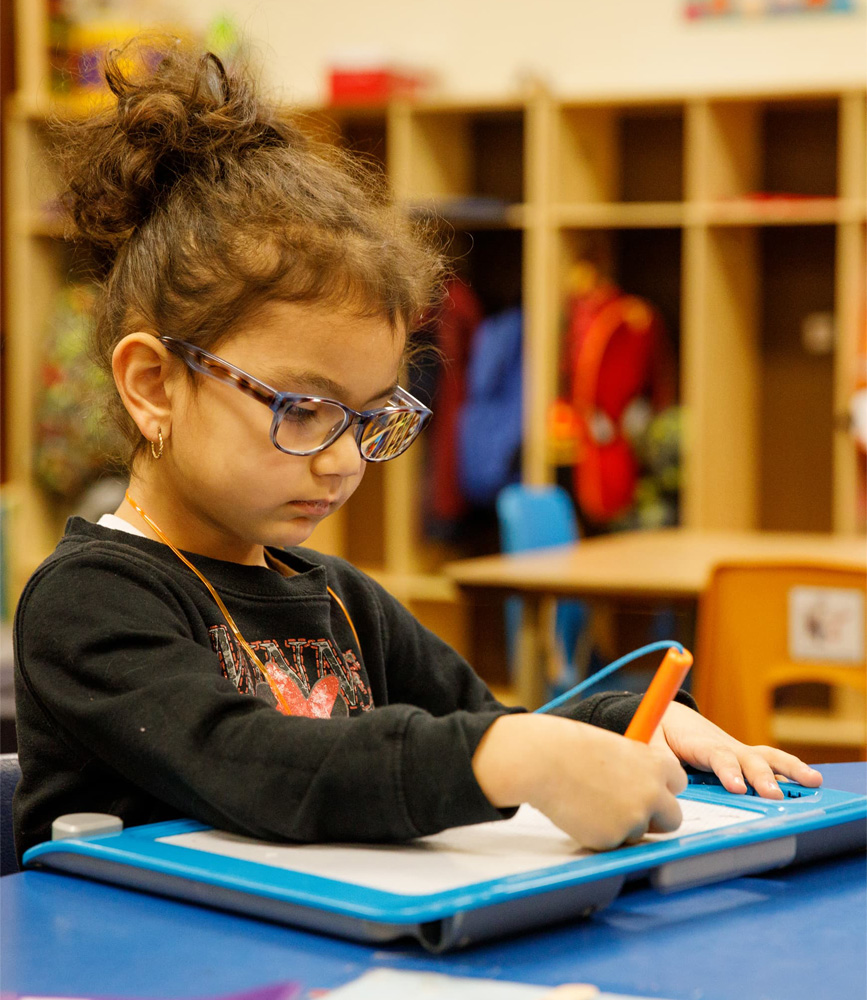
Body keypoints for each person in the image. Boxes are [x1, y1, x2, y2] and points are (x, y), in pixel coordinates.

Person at [12, 40, 821, 864]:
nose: (341, 461)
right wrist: (512, 759)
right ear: (153, 385)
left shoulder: (341, 601)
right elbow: (256, 766)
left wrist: (631, 723)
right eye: (301, 409)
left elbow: (485, 724)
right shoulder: (89, 603)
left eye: (369, 419)